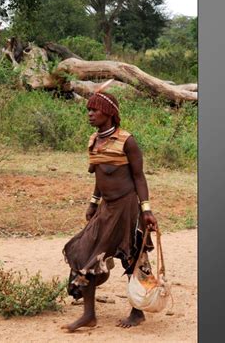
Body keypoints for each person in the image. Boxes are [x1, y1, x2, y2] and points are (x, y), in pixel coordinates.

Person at [61, 88, 158, 332]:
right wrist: (93, 202)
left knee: (134, 257)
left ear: (109, 113)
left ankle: (138, 311)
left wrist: (146, 210)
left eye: (94, 110)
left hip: (126, 207)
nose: (90, 114)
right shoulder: (94, 140)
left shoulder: (127, 141)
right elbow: (99, 176)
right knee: (85, 253)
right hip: (106, 207)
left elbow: (139, 177)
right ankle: (89, 315)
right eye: (89, 110)